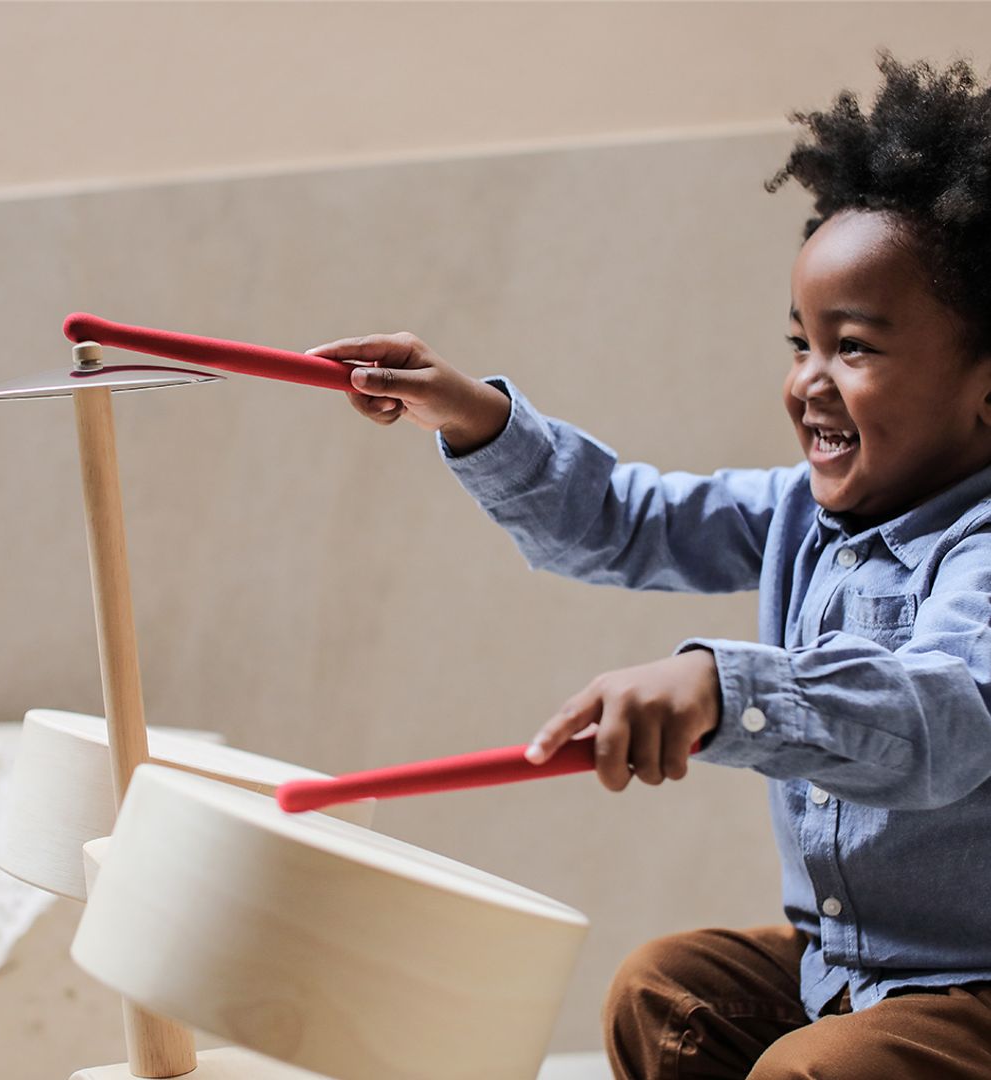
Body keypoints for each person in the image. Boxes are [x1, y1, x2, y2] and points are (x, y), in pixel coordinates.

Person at [307, 54, 991, 1079]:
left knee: (814, 1072)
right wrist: (471, 415)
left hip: (973, 984)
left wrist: (727, 687)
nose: (808, 382)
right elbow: (625, 521)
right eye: (799, 343)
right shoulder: (800, 514)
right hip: (847, 969)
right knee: (663, 991)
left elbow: (938, 718)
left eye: (853, 348)